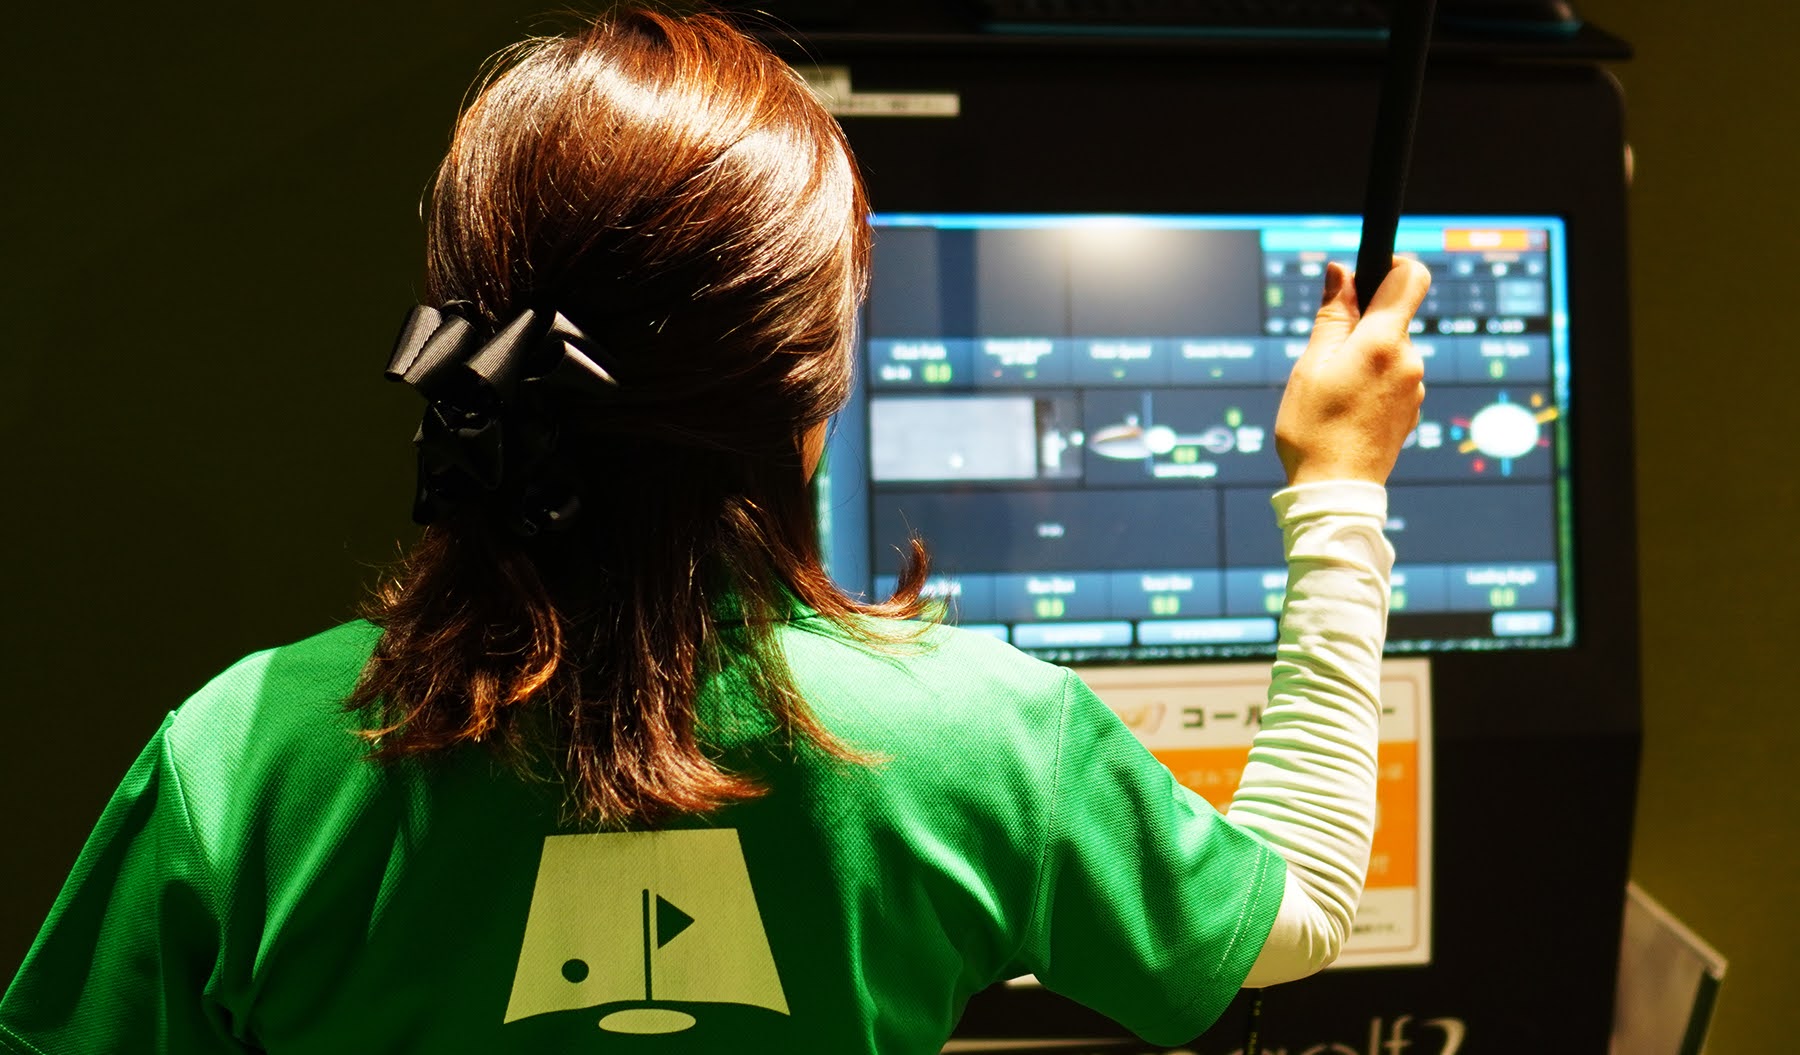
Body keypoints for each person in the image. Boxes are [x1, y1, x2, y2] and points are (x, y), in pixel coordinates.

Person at [0, 8, 1429, 1055]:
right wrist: (1338, 489)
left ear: (463, 343)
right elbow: (1298, 911)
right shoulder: (989, 742)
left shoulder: (242, 761)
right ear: (816, 389)